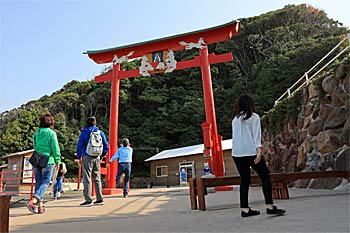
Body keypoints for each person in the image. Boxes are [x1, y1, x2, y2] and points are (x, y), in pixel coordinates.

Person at [231, 93, 286, 217]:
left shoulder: (235, 119)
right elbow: (256, 136)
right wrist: (259, 151)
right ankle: (269, 206)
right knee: (265, 176)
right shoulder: (254, 117)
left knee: (245, 180)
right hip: (250, 152)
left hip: (237, 153)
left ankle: (245, 209)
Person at [27, 113, 61, 214]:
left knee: (39, 182)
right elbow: (55, 148)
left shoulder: (37, 133)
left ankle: (41, 206)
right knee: (46, 182)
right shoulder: (51, 133)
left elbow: (35, 145)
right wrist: (58, 160)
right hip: (48, 160)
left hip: (36, 160)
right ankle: (33, 201)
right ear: (51, 122)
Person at [76, 116, 108, 206]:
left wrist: (79, 157)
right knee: (97, 178)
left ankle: (88, 199)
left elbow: (79, 145)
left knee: (87, 178)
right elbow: (105, 145)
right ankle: (99, 199)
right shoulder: (100, 132)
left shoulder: (84, 132)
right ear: (95, 123)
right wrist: (102, 155)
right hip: (97, 156)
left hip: (87, 156)